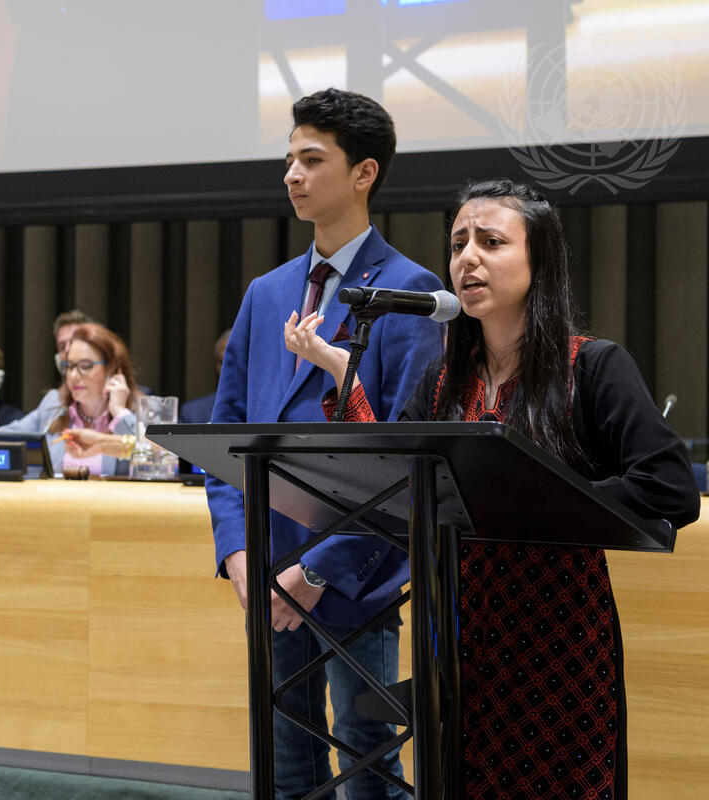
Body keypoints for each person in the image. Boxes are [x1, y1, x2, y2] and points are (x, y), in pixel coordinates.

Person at [286, 178, 700, 798]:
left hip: (561, 642)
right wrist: (345, 373)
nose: (467, 258)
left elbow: (669, 487)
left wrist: (539, 499)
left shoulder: (592, 366)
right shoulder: (442, 379)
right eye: (458, 244)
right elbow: (392, 487)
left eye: (491, 242)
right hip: (460, 640)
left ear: (540, 260)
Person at [207, 88, 446, 800]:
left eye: (312, 160)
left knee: (368, 764)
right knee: (287, 768)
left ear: (364, 173)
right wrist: (238, 553)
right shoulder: (266, 292)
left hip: (355, 576)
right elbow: (224, 440)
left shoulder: (409, 290)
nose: (293, 174)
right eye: (289, 159)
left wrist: (315, 570)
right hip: (267, 570)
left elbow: (406, 460)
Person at [0, 323, 139, 476]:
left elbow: (154, 447)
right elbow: (6, 437)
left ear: (112, 369)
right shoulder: (55, 404)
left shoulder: (139, 408)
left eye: (85, 366)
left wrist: (119, 412)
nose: (73, 376)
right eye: (70, 366)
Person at [179, 328, 231, 424]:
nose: (226, 369)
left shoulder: (261, 409)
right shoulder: (194, 413)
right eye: (221, 362)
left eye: (232, 362)